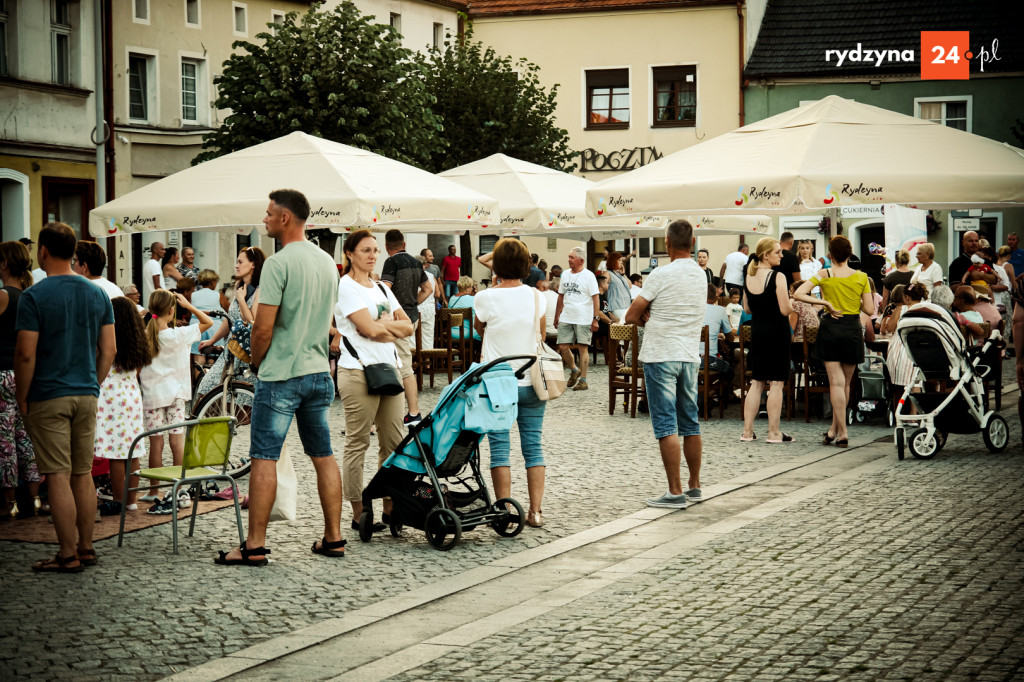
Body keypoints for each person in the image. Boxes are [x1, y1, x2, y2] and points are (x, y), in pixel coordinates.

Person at [216, 189, 343, 566]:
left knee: (264, 458)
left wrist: (256, 364)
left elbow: (263, 328)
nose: (265, 219)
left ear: (286, 218)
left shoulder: (277, 264)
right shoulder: (325, 262)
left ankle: (254, 545)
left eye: (270, 214)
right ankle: (334, 537)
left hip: (282, 373)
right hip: (319, 371)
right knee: (323, 455)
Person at [15, 222, 115, 572]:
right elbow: (109, 349)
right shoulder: (97, 293)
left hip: (49, 393)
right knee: (82, 472)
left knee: (56, 474)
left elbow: (26, 354)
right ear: (74, 253)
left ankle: (67, 554)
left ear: (42, 251)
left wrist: (22, 395)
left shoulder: (34, 296)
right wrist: (93, 382)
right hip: (86, 392)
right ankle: (85, 548)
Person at [335, 229, 411, 535]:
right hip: (356, 369)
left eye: (376, 250)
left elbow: (409, 324)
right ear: (350, 254)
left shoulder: (381, 287)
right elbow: (368, 330)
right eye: (366, 250)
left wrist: (384, 326)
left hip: (389, 368)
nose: (372, 255)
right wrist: (387, 327)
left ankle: (390, 506)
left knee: (394, 443)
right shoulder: (346, 286)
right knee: (358, 442)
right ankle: (359, 511)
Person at [625, 219, 705, 509]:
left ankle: (675, 491)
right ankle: (695, 485)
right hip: (689, 355)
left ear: (667, 244)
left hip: (661, 354)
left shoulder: (660, 274)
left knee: (666, 424)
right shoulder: (701, 275)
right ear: (693, 243)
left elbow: (631, 316)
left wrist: (648, 314)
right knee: (690, 422)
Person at [473, 238, 548, 527]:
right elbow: (540, 334)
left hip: (498, 384)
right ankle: (535, 511)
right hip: (532, 379)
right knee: (534, 446)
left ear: (497, 265)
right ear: (527, 265)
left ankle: (503, 512)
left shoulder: (486, 297)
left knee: (499, 449)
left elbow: (480, 329)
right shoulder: (536, 296)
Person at [794, 235, 874, 449]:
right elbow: (869, 310)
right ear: (849, 254)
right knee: (845, 383)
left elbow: (798, 293)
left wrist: (824, 302)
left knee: (835, 384)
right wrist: (852, 298)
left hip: (830, 328)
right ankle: (838, 431)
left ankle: (839, 431)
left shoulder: (824, 273)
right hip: (852, 329)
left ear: (830, 255)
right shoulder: (862, 277)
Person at [138, 290, 212, 513]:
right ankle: (179, 489)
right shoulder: (180, 334)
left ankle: (154, 490)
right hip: (177, 395)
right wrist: (188, 306)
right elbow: (207, 322)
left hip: (153, 395)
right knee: (177, 441)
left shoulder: (144, 335)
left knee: (156, 443)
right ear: (172, 311)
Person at [95, 297, 152, 516]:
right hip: (131, 394)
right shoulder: (138, 340)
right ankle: (131, 500)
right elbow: (137, 370)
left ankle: (118, 501)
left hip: (111, 397)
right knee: (133, 450)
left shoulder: (107, 338)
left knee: (116, 453)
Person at [0, 241, 41, 519]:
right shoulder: (29, 295)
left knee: (4, 439)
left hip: (2, 372)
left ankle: (9, 501)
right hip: (24, 373)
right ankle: (34, 498)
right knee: (24, 437)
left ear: (4, 264)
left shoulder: (4, 295)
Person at [740, 238, 794, 444]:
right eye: (778, 252)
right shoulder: (777, 276)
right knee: (777, 383)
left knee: (757, 382)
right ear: (766, 255)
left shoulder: (748, 276)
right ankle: (773, 433)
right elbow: (784, 309)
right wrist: (793, 302)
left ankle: (747, 431)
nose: (781, 255)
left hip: (758, 331)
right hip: (777, 331)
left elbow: (747, 309)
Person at [195, 248, 265, 399]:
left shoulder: (260, 289)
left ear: (253, 264)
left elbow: (252, 323)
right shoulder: (239, 286)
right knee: (206, 389)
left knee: (243, 400)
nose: (236, 265)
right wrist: (212, 340)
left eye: (240, 262)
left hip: (248, 354)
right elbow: (229, 318)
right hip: (230, 351)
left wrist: (241, 300)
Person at [382, 229, 431, 427]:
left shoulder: (391, 262)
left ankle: (413, 412)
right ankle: (389, 415)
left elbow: (385, 288)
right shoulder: (416, 262)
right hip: (411, 317)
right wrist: (411, 305)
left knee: (401, 364)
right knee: (397, 362)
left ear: (387, 247)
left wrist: (395, 309)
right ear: (404, 244)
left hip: (396, 320)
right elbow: (427, 289)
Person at [554, 246, 600, 392]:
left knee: (582, 347)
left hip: (584, 317)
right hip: (566, 315)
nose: (569, 260)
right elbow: (561, 296)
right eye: (569, 257)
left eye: (572, 257)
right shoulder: (565, 274)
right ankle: (574, 369)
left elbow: (595, 298)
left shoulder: (589, 276)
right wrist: (557, 315)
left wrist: (595, 318)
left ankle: (583, 380)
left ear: (581, 260)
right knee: (562, 346)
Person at [700, 282, 734, 389]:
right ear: (716, 297)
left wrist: (716, 336)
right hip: (708, 360)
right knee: (729, 371)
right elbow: (730, 338)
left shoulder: (693, 309)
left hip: (689, 359)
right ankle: (711, 394)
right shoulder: (720, 310)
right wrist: (722, 336)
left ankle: (703, 393)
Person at [416, 255, 440, 350]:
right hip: (429, 311)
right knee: (428, 339)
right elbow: (437, 294)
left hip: (417, 309)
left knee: (413, 339)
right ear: (424, 265)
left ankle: (415, 363)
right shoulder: (431, 276)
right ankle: (427, 364)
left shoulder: (412, 275)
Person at [605, 252, 632, 320]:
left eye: (622, 261)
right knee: (624, 325)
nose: (621, 262)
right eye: (619, 260)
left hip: (626, 305)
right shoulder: (607, 273)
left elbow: (630, 286)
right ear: (613, 261)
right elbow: (602, 286)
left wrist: (623, 274)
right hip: (616, 306)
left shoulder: (620, 274)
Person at [537, 279, 559, 345]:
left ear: (544, 288)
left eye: (538, 287)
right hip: (559, 333)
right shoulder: (557, 296)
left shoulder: (540, 296)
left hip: (546, 334)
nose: (536, 289)